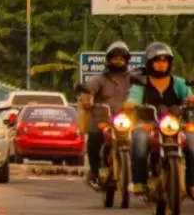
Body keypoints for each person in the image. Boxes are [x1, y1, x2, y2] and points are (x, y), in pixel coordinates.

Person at [125, 42, 194, 199]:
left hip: (176, 125)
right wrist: (132, 104)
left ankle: (192, 184)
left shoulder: (179, 82)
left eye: (165, 61)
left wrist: (191, 100)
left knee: (193, 143)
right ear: (149, 64)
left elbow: (189, 97)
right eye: (157, 61)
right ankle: (139, 182)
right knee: (139, 140)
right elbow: (132, 99)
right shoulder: (141, 83)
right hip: (149, 124)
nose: (161, 64)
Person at [78, 41, 133, 186]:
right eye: (115, 58)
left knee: (142, 138)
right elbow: (88, 90)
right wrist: (86, 99)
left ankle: (142, 175)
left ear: (126, 60)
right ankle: (94, 172)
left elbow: (144, 91)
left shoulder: (132, 79)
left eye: (121, 58)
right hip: (104, 118)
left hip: (127, 118)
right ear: (109, 60)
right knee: (95, 135)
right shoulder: (100, 78)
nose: (118, 61)